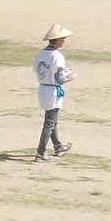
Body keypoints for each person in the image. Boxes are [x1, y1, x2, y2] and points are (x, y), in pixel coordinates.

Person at [33, 25, 76, 162]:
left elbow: (36, 70)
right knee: (49, 122)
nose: (64, 41)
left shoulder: (41, 54)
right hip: (52, 91)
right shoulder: (57, 56)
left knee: (52, 120)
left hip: (43, 88)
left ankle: (58, 146)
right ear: (57, 40)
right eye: (63, 39)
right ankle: (41, 152)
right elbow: (59, 79)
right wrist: (71, 76)